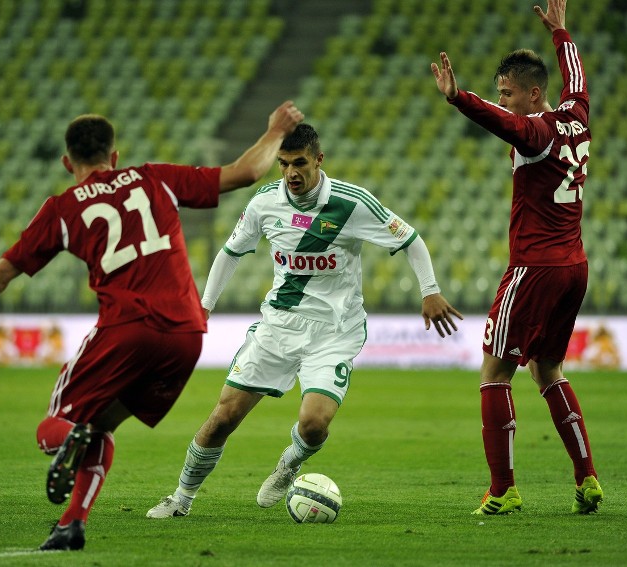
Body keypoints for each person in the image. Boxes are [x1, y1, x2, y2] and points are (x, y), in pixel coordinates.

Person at [0, 100, 305, 550]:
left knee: (55, 427)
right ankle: (72, 525)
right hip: (187, 334)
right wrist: (274, 133)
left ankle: (71, 436)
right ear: (114, 155)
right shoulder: (154, 179)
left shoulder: (63, 209)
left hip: (127, 328)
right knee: (100, 427)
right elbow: (245, 173)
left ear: (67, 162)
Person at [146, 123, 463, 519]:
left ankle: (289, 463)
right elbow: (229, 252)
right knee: (222, 418)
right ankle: (180, 500)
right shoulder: (265, 203)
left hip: (334, 331)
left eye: (299, 163)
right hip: (278, 326)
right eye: (283, 164)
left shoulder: (352, 203)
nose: (291, 173)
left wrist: (430, 290)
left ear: (318, 160)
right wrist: (204, 305)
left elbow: (410, 240)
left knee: (314, 425)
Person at [431, 0, 603, 515]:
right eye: (499, 93)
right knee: (548, 370)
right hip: (574, 267)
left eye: (508, 94)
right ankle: (587, 478)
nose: (504, 102)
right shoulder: (575, 117)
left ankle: (503, 489)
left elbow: (505, 126)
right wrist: (561, 33)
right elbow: (577, 81)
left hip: (534, 268)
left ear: (533, 94)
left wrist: (461, 97)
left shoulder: (538, 133)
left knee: (494, 372)